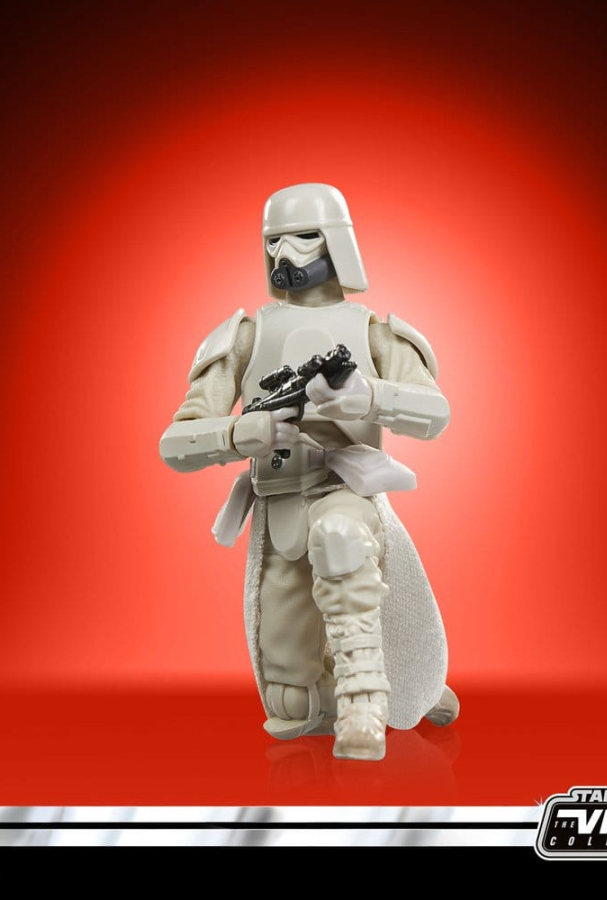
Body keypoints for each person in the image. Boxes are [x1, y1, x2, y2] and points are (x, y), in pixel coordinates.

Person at [160, 184, 458, 760]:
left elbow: (435, 413)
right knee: (291, 706)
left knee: (340, 534)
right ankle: (409, 687)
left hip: (344, 487)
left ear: (336, 242)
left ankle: (367, 699)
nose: (285, 254)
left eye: (302, 238)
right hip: (277, 508)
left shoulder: (374, 331)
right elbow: (175, 444)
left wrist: (368, 396)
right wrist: (237, 433)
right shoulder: (245, 336)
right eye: (274, 241)